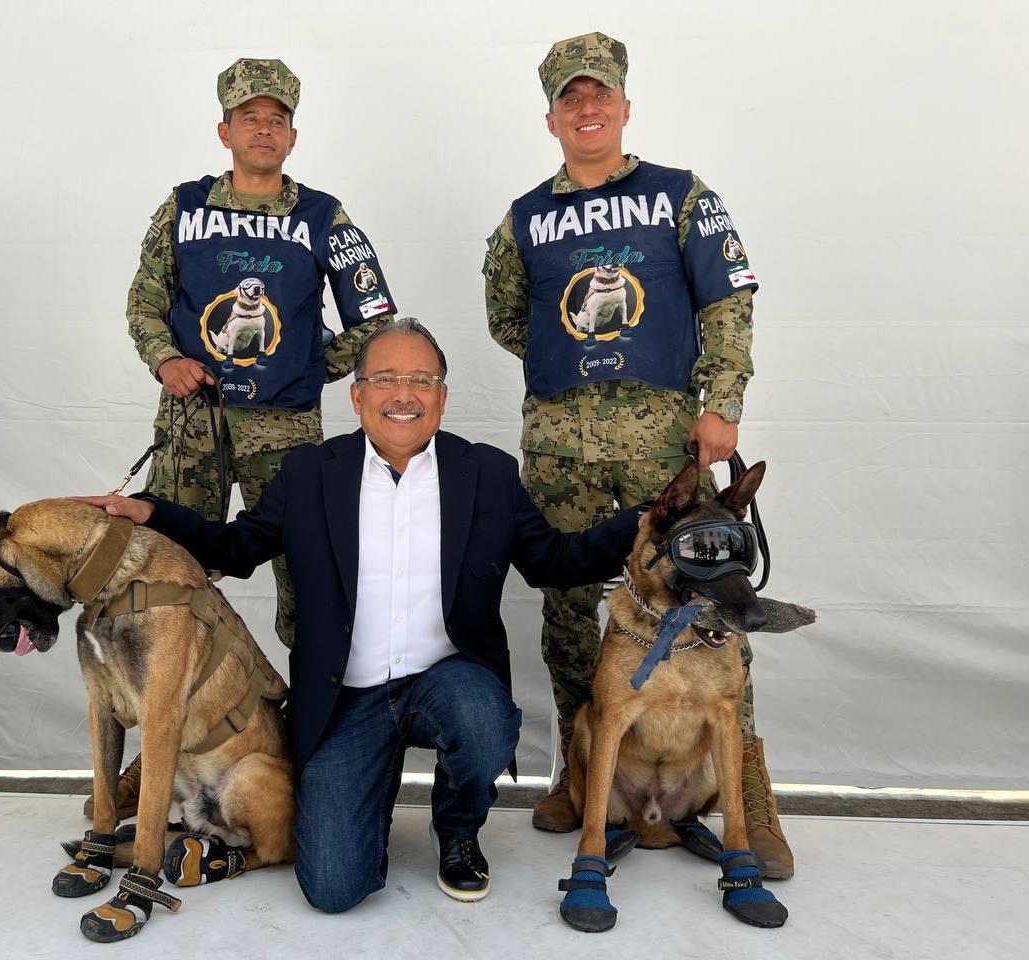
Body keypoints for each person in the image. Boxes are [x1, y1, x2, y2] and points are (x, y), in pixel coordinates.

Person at [77, 318, 642, 912]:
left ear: (443, 397)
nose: (405, 394)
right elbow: (235, 549)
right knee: (333, 888)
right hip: (347, 696)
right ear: (357, 394)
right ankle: (367, 797)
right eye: (386, 379)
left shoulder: (488, 474)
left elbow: (554, 561)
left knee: (483, 720)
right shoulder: (310, 473)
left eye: (422, 380)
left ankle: (456, 828)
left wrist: (643, 521)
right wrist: (151, 512)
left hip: (447, 680)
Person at [482, 31, 793, 877]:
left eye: (600, 95)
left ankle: (751, 804)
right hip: (557, 450)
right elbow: (512, 321)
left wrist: (720, 406)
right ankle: (581, 778)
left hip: (667, 450)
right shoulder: (523, 218)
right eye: (570, 98)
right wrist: (581, 371)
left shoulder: (680, 197)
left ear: (625, 105)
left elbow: (728, 303)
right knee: (566, 613)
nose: (587, 109)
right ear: (550, 116)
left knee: (712, 606)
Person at [101, 57, 397, 818]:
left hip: (287, 427)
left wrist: (307, 365)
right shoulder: (184, 207)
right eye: (249, 117)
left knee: (309, 584)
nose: (263, 130)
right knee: (166, 586)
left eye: (277, 119)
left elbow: (375, 321)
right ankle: (156, 758)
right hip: (193, 424)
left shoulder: (325, 217)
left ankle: (306, 746)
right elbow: (144, 302)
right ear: (224, 129)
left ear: (293, 135)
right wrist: (165, 357)